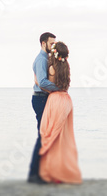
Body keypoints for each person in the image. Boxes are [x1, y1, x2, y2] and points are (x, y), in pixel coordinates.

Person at [36, 41, 82, 184]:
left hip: (55, 101)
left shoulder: (51, 68)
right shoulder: (66, 67)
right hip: (67, 100)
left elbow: (46, 86)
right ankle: (64, 170)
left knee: (50, 136)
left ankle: (53, 173)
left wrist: (37, 82)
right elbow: (65, 85)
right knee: (64, 138)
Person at [28, 32, 57, 183]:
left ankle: (42, 172)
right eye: (51, 44)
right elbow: (43, 82)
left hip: (44, 98)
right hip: (40, 99)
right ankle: (34, 174)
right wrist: (60, 87)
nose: (53, 47)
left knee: (46, 136)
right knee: (43, 136)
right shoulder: (41, 59)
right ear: (43, 43)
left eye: (54, 44)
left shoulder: (48, 58)